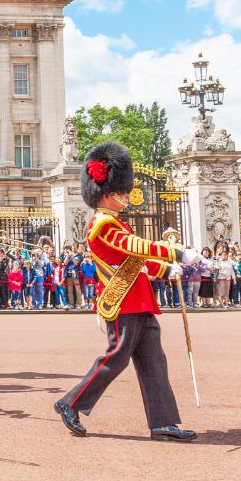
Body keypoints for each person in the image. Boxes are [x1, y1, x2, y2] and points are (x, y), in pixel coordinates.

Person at [54, 141, 199, 442]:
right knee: (116, 357)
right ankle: (70, 402)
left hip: (140, 300)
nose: (126, 197)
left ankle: (163, 422)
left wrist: (164, 269)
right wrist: (174, 252)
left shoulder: (117, 223)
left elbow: (136, 261)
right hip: (121, 302)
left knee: (154, 360)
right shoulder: (101, 225)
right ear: (108, 193)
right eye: (122, 192)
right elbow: (135, 247)